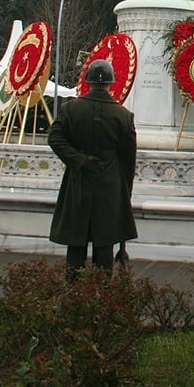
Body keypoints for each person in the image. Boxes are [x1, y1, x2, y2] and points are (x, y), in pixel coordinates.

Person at [48, 59, 138, 279]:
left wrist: (78, 160)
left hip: (78, 180)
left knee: (76, 242)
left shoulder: (71, 109)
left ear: (87, 82)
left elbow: (55, 139)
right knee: (104, 244)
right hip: (110, 183)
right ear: (111, 83)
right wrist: (125, 190)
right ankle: (103, 294)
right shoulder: (124, 116)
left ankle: (73, 293)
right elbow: (128, 160)